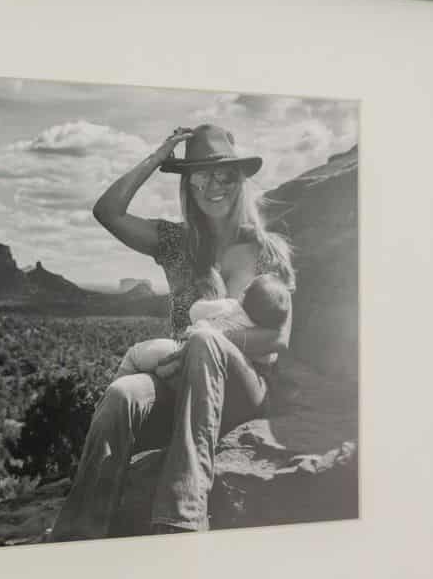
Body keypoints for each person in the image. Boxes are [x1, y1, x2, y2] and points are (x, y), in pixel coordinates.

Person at [49, 123, 295, 538]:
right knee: (121, 394)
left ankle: (182, 515)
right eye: (199, 174)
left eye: (224, 175)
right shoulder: (175, 243)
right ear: (187, 182)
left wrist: (208, 342)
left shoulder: (267, 250)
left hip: (242, 391)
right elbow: (107, 212)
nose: (213, 185)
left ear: (239, 182)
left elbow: (279, 339)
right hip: (182, 386)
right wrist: (158, 157)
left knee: (201, 339)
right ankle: (78, 534)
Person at [114, 271, 292, 382]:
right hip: (216, 370)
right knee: (164, 365)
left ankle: (111, 394)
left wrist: (210, 298)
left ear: (244, 294)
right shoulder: (263, 343)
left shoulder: (231, 306)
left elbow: (195, 312)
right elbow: (268, 359)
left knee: (134, 354)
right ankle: (167, 369)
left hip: (184, 349)